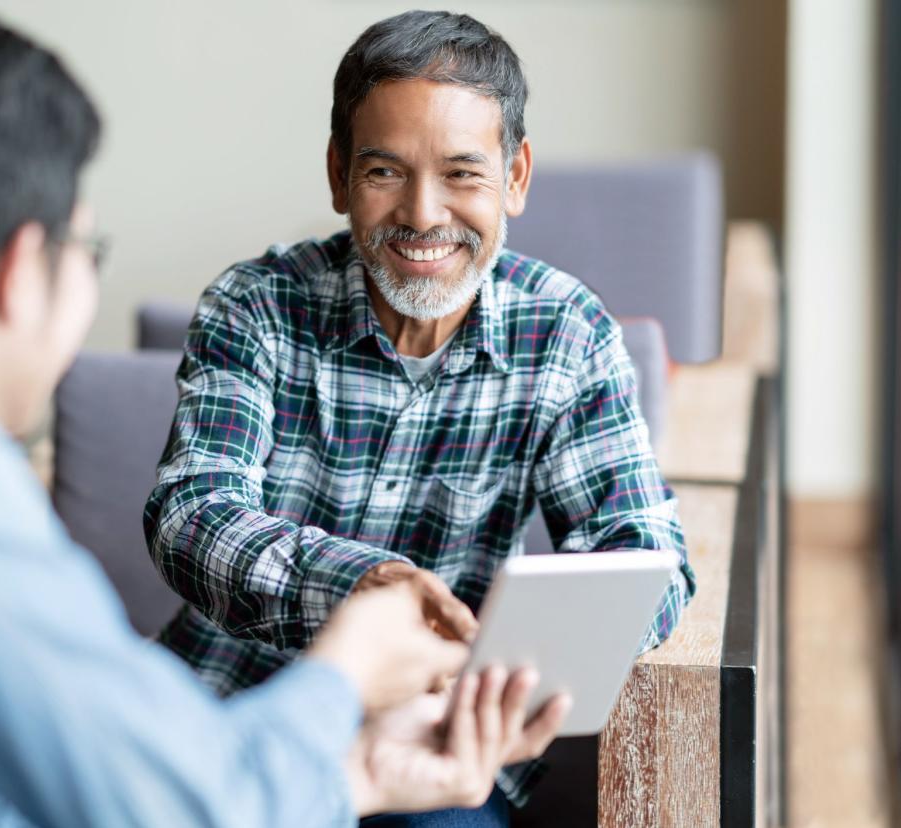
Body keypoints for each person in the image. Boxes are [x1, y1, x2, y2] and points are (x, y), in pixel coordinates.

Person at [0, 14, 563, 827]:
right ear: (25, 268)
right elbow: (188, 805)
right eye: (83, 248)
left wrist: (356, 768)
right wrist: (345, 671)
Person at [144, 10, 698, 826]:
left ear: (515, 176)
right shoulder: (254, 306)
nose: (423, 214)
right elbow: (191, 515)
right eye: (383, 173)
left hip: (444, 740)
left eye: (462, 174)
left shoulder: (566, 333)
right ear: (337, 176)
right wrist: (363, 587)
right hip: (235, 714)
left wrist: (507, 661)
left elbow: (647, 559)